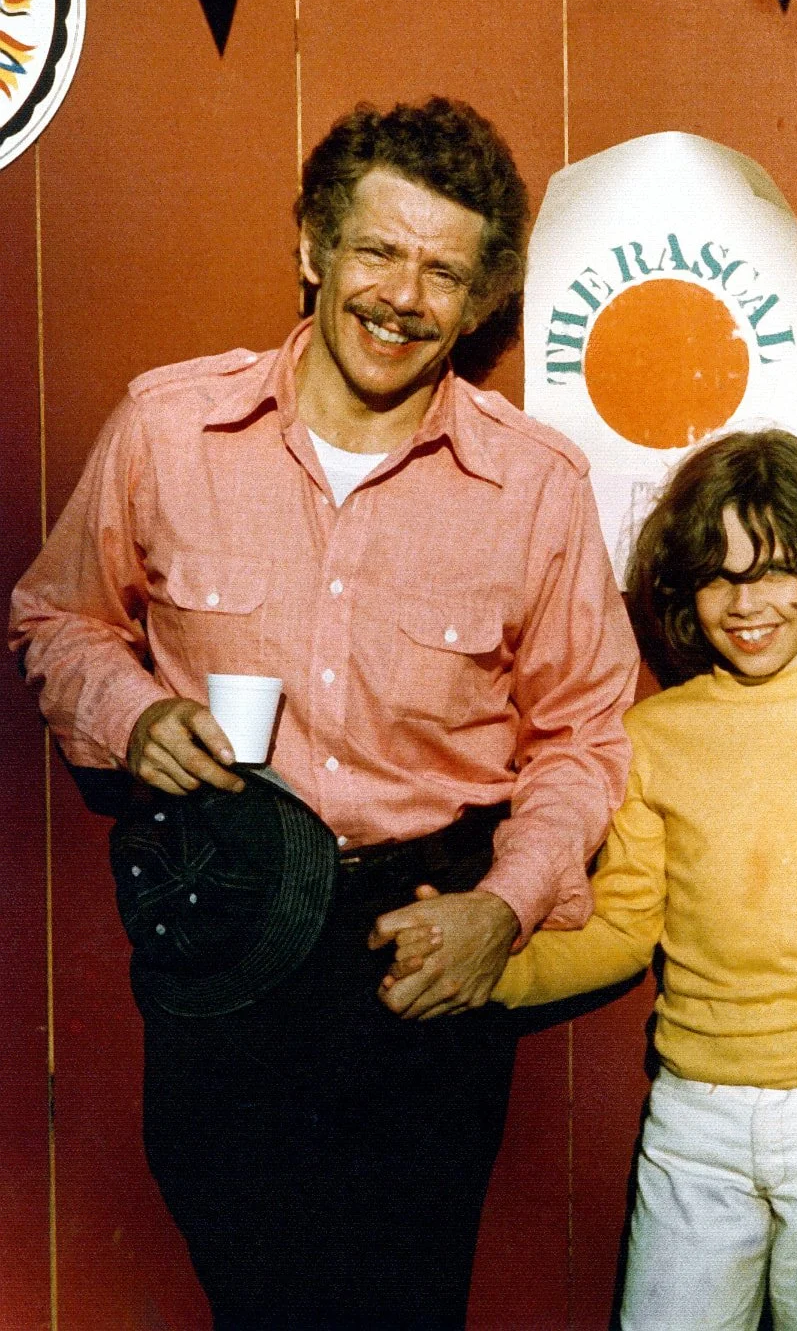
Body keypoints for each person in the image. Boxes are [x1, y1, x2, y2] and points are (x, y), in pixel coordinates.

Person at [9, 96, 639, 1329]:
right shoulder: (170, 431)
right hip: (225, 927)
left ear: (480, 301)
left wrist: (501, 911)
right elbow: (55, 620)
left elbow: (584, 736)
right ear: (312, 246)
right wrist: (134, 716)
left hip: (419, 939)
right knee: (253, 1293)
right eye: (378, 250)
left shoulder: (534, 489)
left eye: (442, 272)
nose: (403, 296)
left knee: (404, 1302)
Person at [403, 428, 797, 1330]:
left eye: (775, 571)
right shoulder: (657, 735)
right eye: (718, 577)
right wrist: (488, 965)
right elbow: (621, 930)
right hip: (695, 1123)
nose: (746, 604)